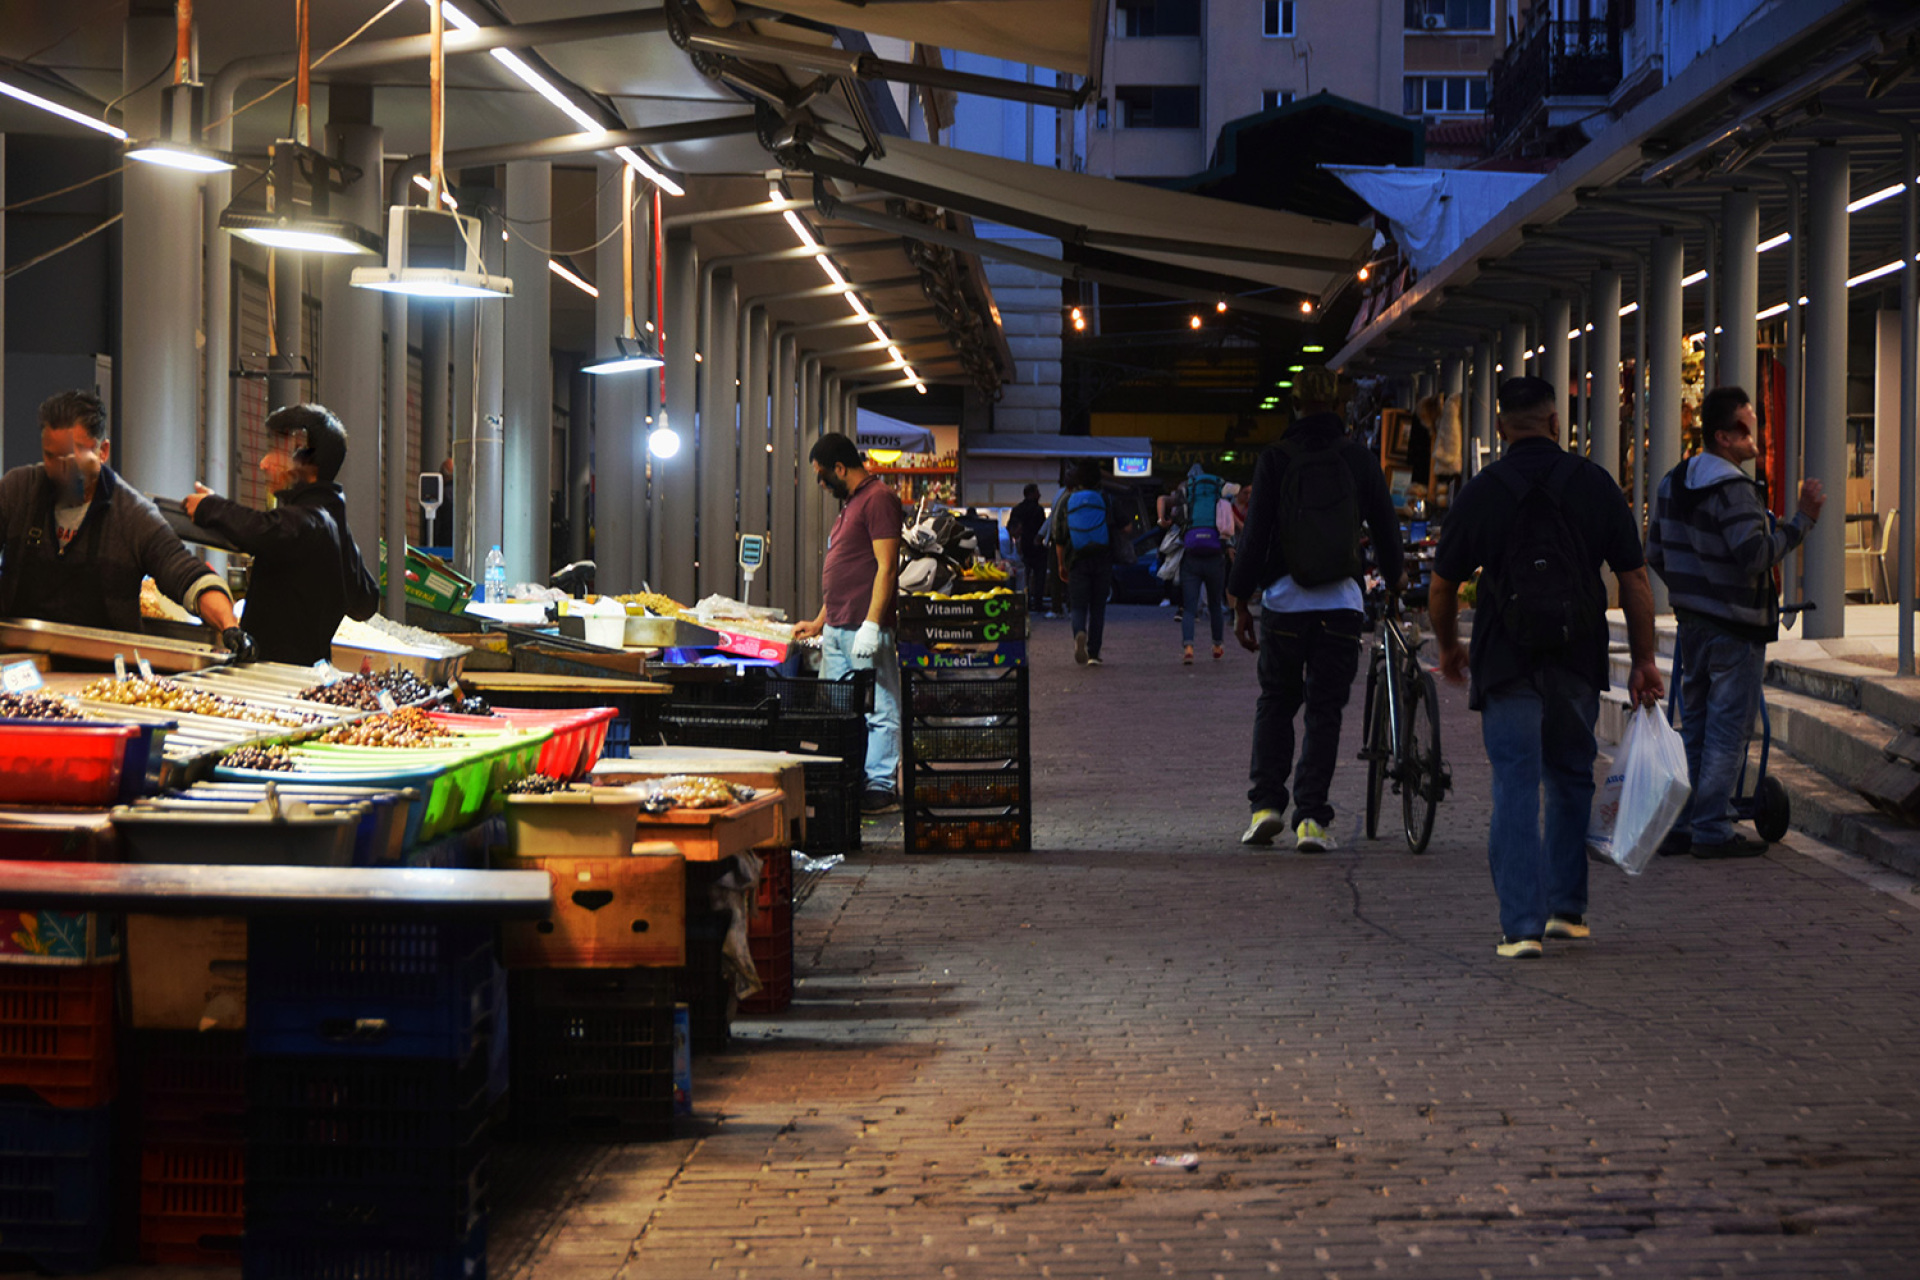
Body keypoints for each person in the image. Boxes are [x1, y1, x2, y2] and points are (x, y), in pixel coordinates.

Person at [1429, 376, 1664, 960]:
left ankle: (1521, 928)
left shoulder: (1482, 492)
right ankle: (1568, 912)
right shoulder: (1593, 484)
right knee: (1569, 779)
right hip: (1576, 657)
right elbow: (1634, 579)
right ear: (1557, 424)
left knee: (1514, 784)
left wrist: (1449, 647)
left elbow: (1441, 586)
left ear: (1502, 427)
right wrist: (1643, 661)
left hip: (1506, 660)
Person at [1229, 366, 1403, 852]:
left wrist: (1240, 598)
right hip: (1342, 605)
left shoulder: (1276, 458)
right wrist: (1396, 578)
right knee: (1324, 711)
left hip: (1284, 602)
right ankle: (1311, 818)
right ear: (1338, 404)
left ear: (1295, 404)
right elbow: (1386, 528)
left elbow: (1255, 535)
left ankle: (1265, 806)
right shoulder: (1358, 458)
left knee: (1277, 702)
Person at [1645, 385, 1823, 859]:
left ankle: (1684, 822)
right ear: (1723, 436)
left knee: (1696, 727)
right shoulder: (1736, 490)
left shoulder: (1672, 482)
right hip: (1736, 630)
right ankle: (1711, 829)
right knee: (1728, 732)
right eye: (1746, 429)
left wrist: (1693, 591)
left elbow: (1655, 553)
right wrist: (1802, 521)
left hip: (1694, 627)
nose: (1756, 438)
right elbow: (1755, 555)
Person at [0, 389, 250, 654]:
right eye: (51, 456)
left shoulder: (132, 516)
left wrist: (229, 627)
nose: (60, 469)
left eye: (72, 458)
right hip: (18, 663)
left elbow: (187, 576)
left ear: (103, 451)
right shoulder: (19, 491)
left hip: (101, 672)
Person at [185, 403, 381, 666]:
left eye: (275, 451)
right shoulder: (334, 523)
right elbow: (366, 602)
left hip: (277, 679)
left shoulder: (310, 521)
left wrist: (210, 507)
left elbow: (262, 529)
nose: (264, 463)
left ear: (305, 462)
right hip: (312, 677)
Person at [791, 432, 904, 813]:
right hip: (839, 629)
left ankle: (881, 786)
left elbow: (886, 567)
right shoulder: (852, 504)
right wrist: (821, 621)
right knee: (839, 710)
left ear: (840, 468)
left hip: (863, 629)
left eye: (823, 475)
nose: (822, 484)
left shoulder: (879, 499)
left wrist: (873, 624)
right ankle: (850, 778)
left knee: (880, 707)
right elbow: (847, 570)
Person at [1162, 463, 1237, 664]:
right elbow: (1227, 524)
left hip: (1192, 556)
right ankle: (1217, 645)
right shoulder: (1219, 496)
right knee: (1214, 604)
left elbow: (1168, 507)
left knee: (1189, 607)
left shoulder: (1186, 495)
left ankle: (1188, 647)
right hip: (1215, 557)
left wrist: (1164, 519)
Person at [1051, 459, 1119, 666]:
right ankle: (1093, 654)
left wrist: (1061, 565)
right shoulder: (1104, 498)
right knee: (1098, 608)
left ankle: (1079, 632)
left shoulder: (1067, 499)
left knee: (1078, 607)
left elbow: (1059, 537)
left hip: (1076, 560)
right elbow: (1114, 527)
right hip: (1102, 559)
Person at [1007, 483, 1050, 616]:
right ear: (1031, 493)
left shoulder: (1017, 509)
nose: (1040, 495)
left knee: (1023, 577)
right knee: (1039, 576)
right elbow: (1043, 529)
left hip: (1023, 547)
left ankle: (1025, 601)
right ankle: (1038, 602)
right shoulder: (1038, 510)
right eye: (1037, 492)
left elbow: (1011, 527)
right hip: (1037, 548)